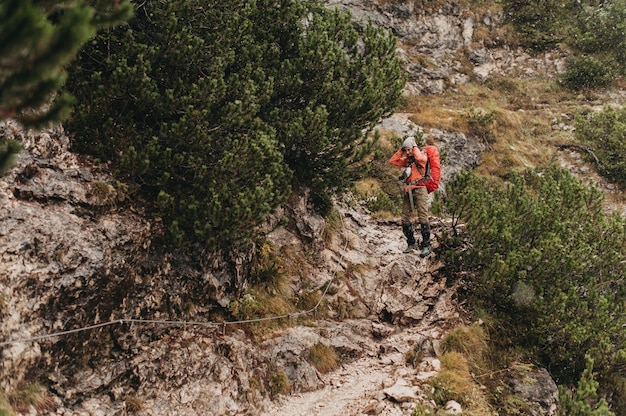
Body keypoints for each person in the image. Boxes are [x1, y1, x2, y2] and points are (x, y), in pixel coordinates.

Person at [389, 136, 431, 257]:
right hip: (408, 191)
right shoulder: (407, 160)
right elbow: (393, 161)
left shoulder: (422, 156)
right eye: (405, 150)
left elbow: (419, 159)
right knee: (404, 219)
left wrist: (414, 146)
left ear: (413, 148)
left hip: (420, 189)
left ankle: (426, 245)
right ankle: (411, 243)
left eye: (409, 150)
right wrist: (402, 150)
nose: (407, 152)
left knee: (423, 218)